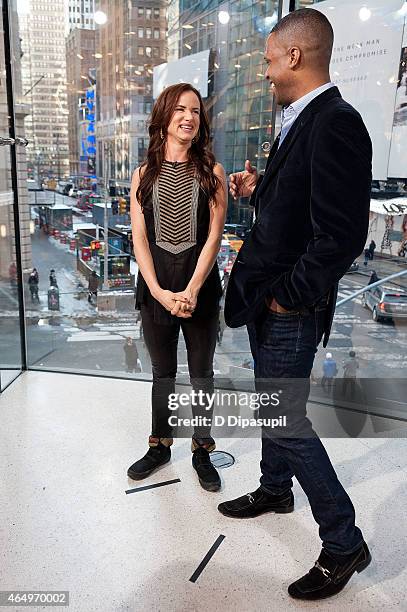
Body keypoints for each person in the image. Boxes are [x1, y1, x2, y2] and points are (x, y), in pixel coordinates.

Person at [219, 9, 372, 600]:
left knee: (286, 417)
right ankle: (276, 487)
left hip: (288, 304)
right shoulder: (299, 119)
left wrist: (288, 298)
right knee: (271, 405)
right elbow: (304, 206)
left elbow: (341, 236)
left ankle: (342, 541)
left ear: (294, 57)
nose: (262, 71)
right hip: (268, 297)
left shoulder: (336, 122)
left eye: (266, 59)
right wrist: (262, 191)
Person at [128, 83, 227, 492]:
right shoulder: (142, 174)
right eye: (181, 110)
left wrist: (191, 289)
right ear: (165, 116)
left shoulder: (212, 171)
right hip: (156, 291)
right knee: (162, 374)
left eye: (196, 112)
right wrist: (157, 290)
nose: (189, 117)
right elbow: (139, 239)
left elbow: (214, 238)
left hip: (199, 288)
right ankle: (160, 445)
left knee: (202, 374)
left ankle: (202, 449)